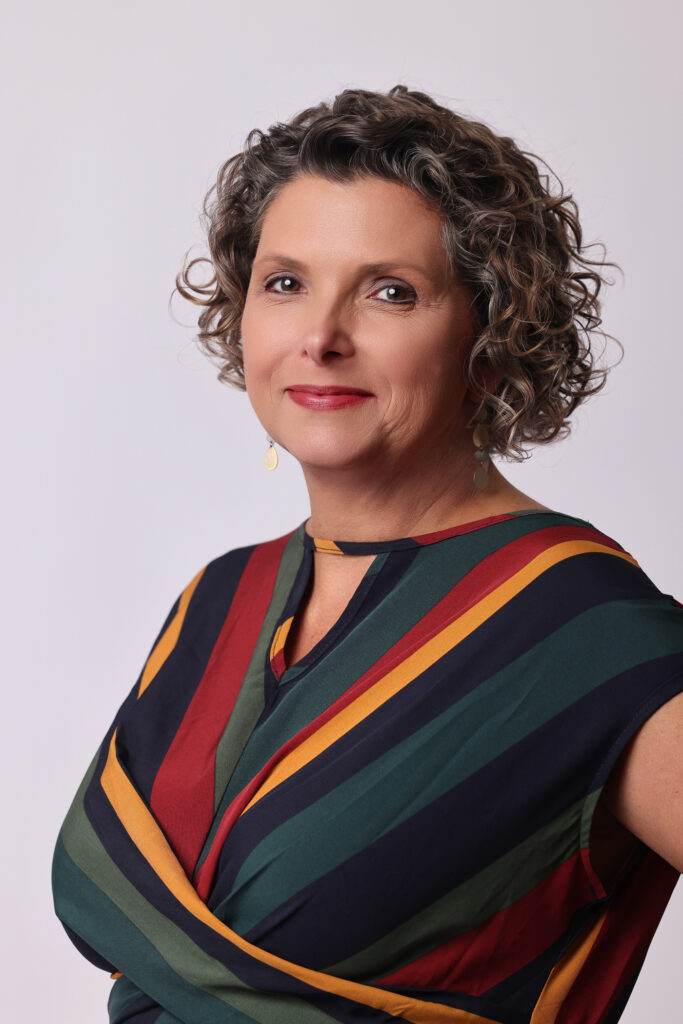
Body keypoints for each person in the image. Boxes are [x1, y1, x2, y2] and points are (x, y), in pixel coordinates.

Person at [52, 85, 683, 1024]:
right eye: (285, 282)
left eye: (390, 291)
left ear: (493, 334)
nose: (319, 336)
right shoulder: (220, 599)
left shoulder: (591, 636)